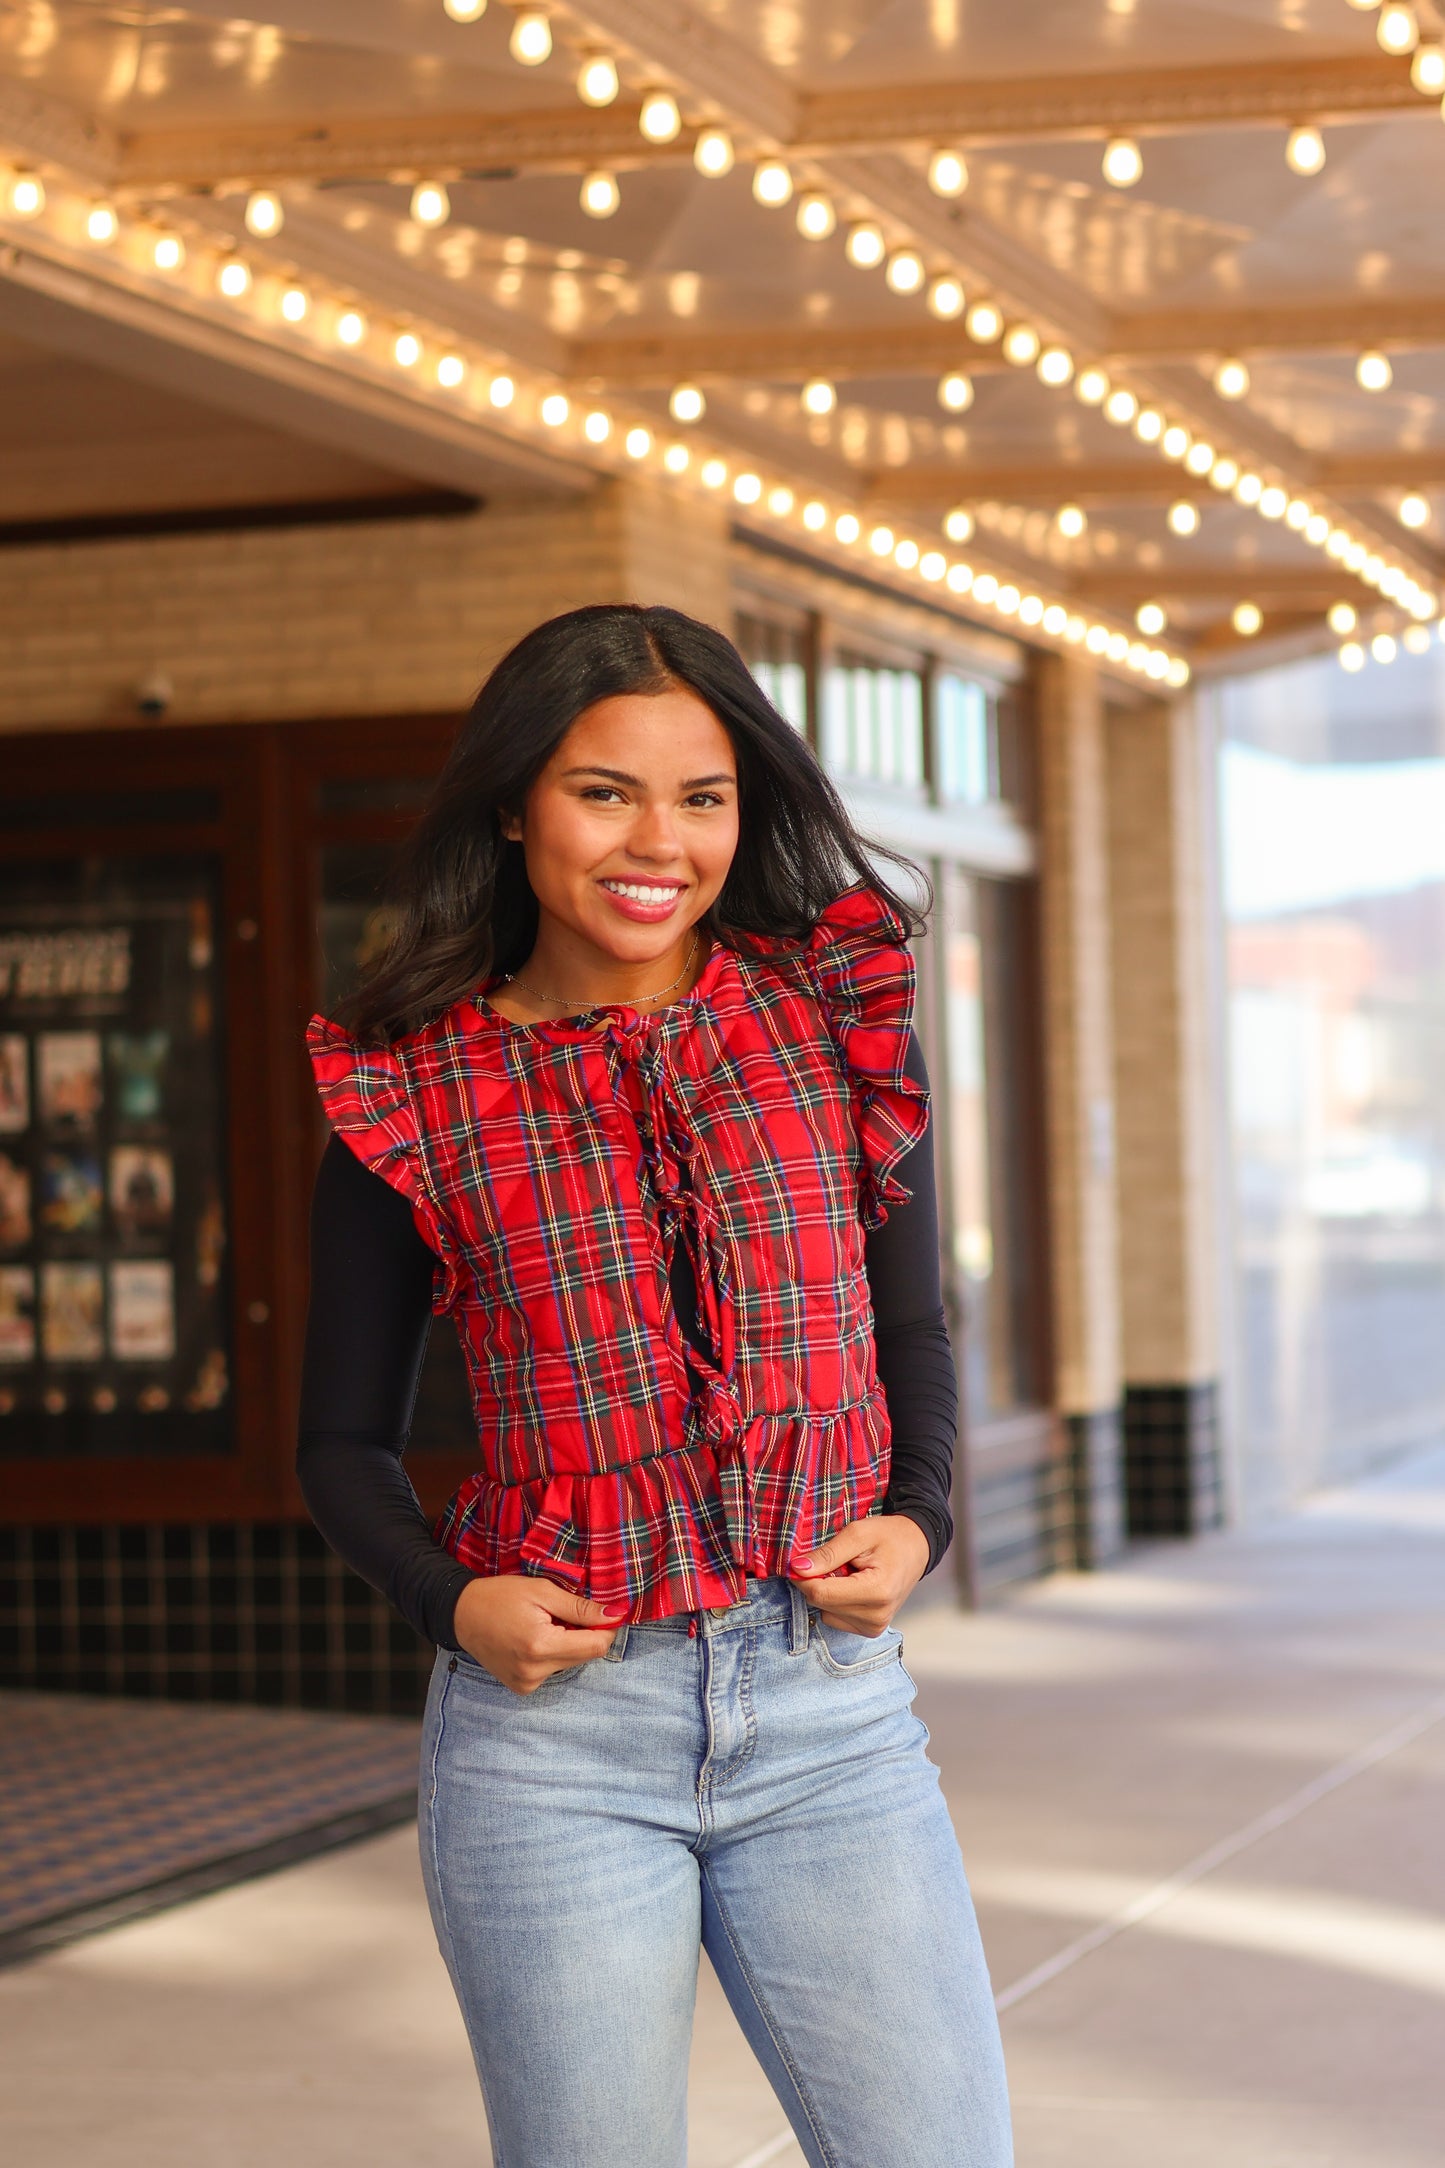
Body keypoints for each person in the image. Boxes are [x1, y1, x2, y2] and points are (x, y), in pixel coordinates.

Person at [297, 603, 1014, 2168]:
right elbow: (340, 1441)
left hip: (829, 1723)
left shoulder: (826, 1014)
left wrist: (918, 1520)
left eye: (703, 797)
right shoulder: (409, 1078)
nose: (658, 841)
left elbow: (913, 1333)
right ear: (513, 804)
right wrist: (450, 1599)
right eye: (603, 789)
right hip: (552, 1745)